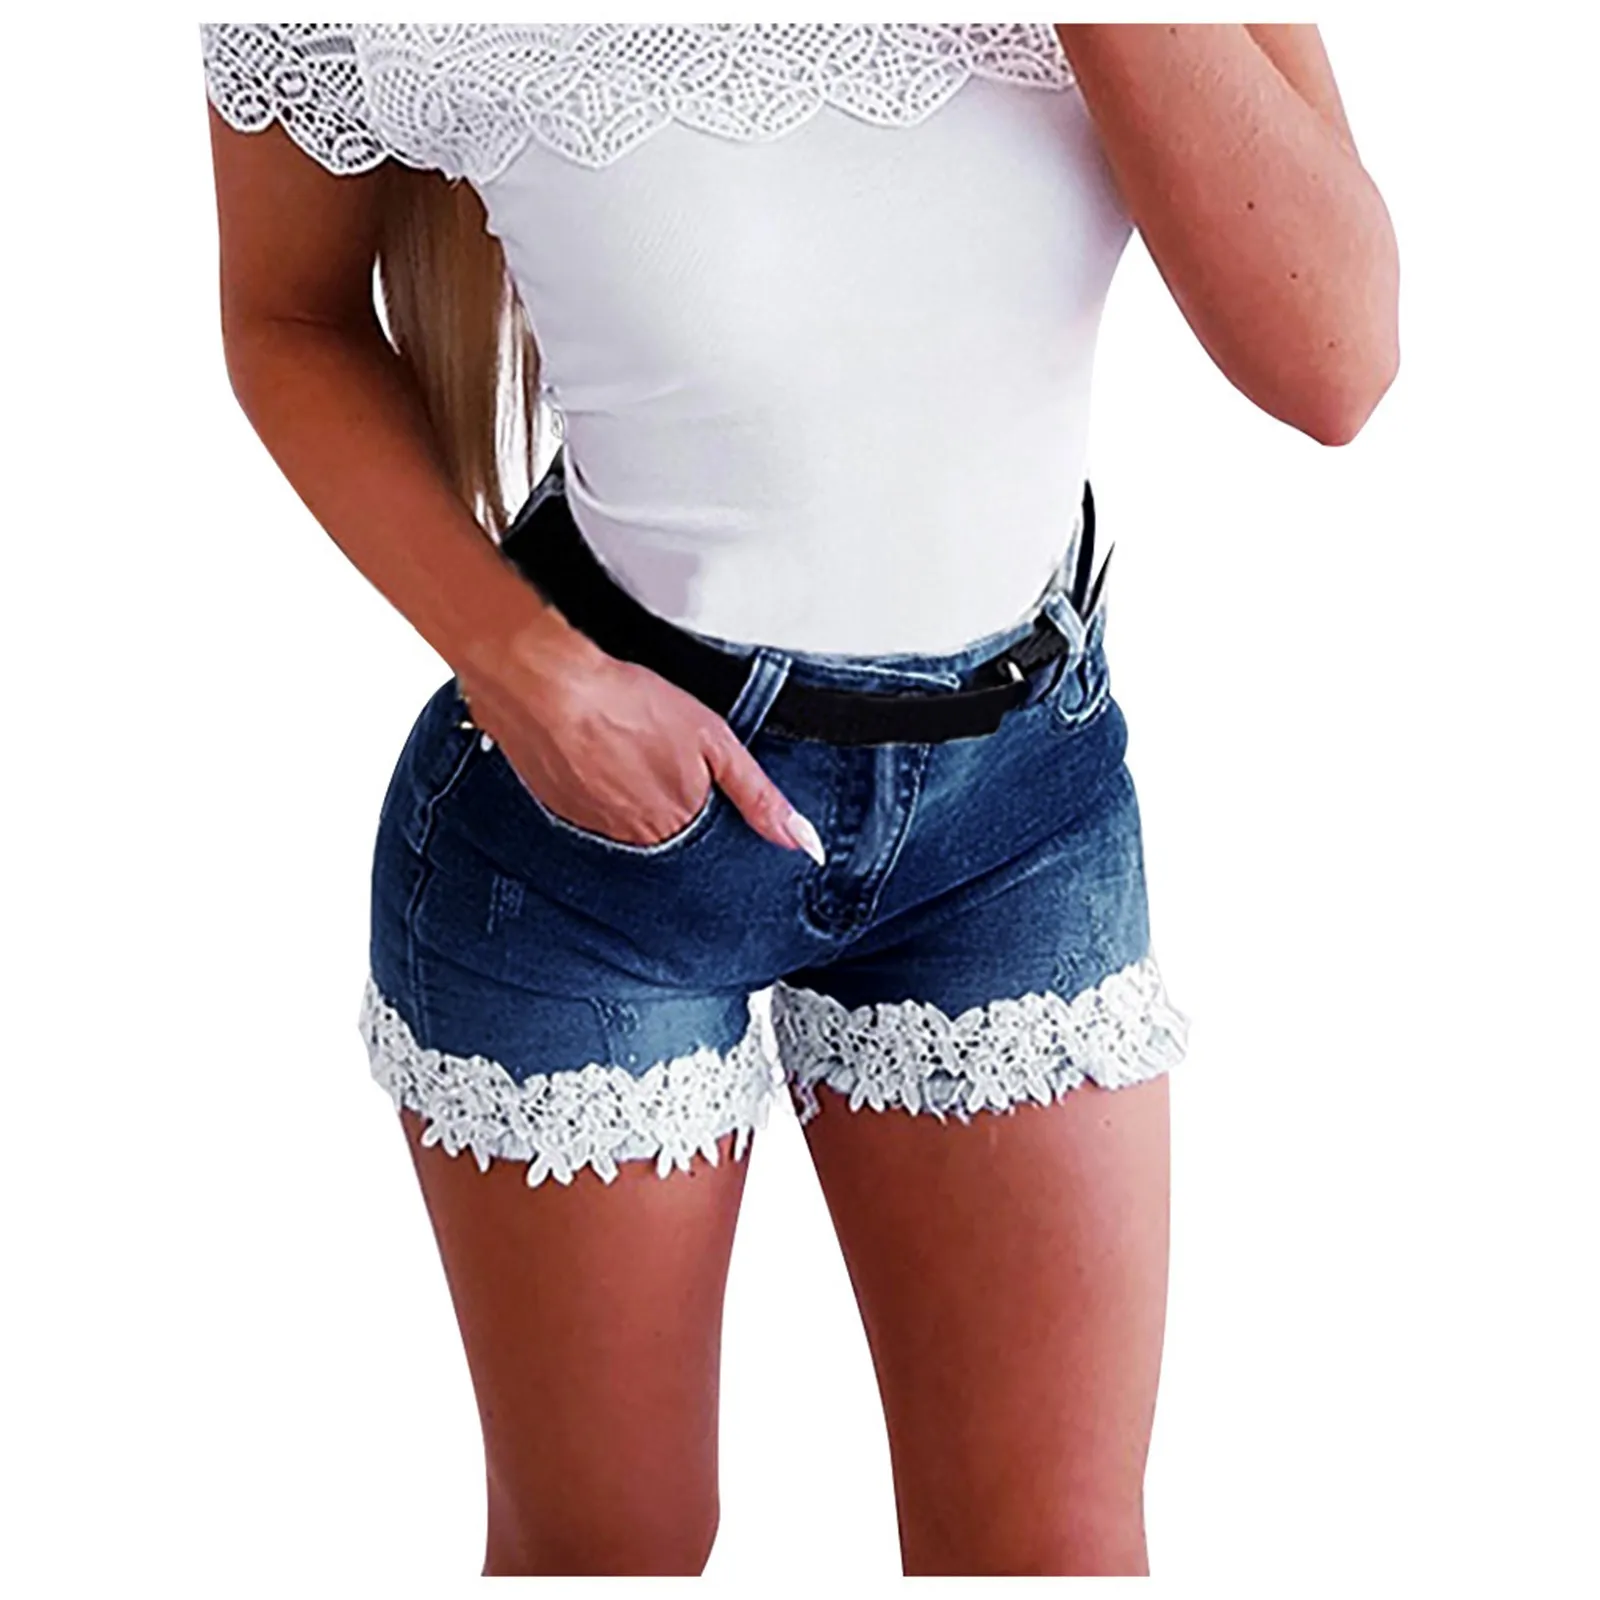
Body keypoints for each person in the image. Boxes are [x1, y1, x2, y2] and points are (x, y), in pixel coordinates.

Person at [199, 22, 1398, 1577]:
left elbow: (1334, 362)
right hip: (592, 844)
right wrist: (521, 665)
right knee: (613, 1551)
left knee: (1048, 1554)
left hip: (1017, 813)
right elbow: (286, 313)